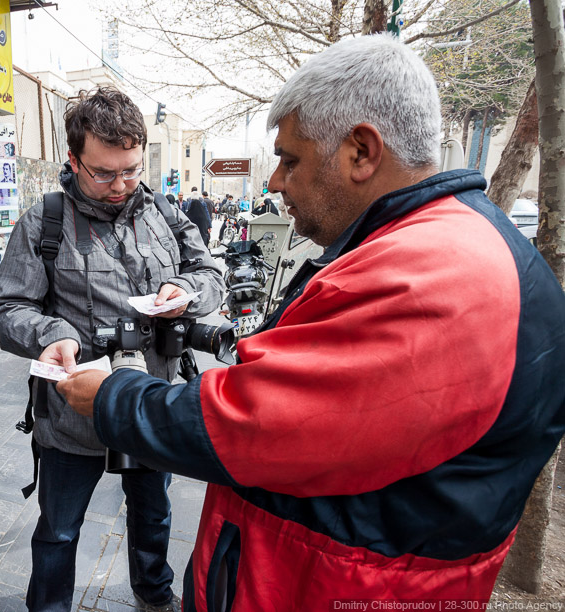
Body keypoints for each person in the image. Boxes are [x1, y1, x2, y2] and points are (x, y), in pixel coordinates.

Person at [58, 34, 565, 607]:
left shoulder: (432, 274)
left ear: (361, 152)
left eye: (290, 160)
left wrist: (115, 397)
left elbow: (255, 423)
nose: (274, 182)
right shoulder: (450, 246)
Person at [0, 86, 224, 612]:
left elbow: (211, 273)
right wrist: (52, 334)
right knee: (59, 531)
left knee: (154, 513)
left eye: (132, 170)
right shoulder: (43, 222)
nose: (121, 186)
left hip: (148, 405)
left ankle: (154, 594)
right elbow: (4, 309)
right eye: (104, 173)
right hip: (73, 418)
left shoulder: (164, 211)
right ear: (74, 160)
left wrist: (187, 292)